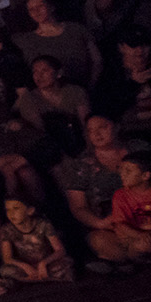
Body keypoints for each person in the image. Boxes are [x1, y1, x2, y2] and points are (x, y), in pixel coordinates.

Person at [57, 115, 133, 269]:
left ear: (116, 126)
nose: (97, 134)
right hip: (109, 225)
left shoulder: (138, 150)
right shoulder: (81, 165)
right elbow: (78, 207)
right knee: (103, 243)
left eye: (102, 127)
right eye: (91, 131)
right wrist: (100, 223)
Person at [15, 0, 101, 87]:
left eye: (40, 6)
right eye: (31, 9)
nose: (36, 11)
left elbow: (96, 60)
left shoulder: (75, 29)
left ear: (51, 7)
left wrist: (92, 84)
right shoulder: (27, 40)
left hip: (83, 87)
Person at [15, 54, 91, 159]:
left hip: (79, 142)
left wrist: (89, 148)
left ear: (59, 73)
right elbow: (42, 131)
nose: (39, 76)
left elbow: (86, 124)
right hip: (52, 150)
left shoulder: (75, 91)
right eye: (35, 72)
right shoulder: (29, 99)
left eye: (44, 71)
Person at [92, 26, 151, 144]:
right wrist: (132, 84)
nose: (140, 51)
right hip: (129, 135)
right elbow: (107, 110)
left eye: (144, 45)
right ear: (122, 48)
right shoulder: (111, 76)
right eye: (133, 46)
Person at [0, 197, 72, 283]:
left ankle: (31, 280)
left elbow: (60, 250)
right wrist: (24, 266)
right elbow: (7, 258)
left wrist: (43, 263)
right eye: (8, 210)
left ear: (30, 210)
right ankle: (39, 279)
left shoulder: (43, 225)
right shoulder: (7, 229)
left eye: (16, 208)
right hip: (26, 267)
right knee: (5, 270)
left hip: (46, 264)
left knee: (66, 263)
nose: (11, 213)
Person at [105, 151, 151, 262]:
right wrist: (141, 235)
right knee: (142, 246)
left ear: (145, 175)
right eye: (121, 170)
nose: (122, 174)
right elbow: (120, 224)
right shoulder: (120, 195)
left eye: (128, 171)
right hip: (134, 239)